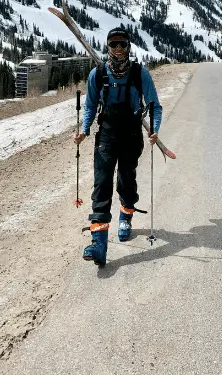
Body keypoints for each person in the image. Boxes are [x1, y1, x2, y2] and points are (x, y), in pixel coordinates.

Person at [73, 28, 162, 266]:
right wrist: (85, 129)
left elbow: (154, 105)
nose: (118, 49)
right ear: (108, 47)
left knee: (126, 178)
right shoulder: (98, 74)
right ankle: (98, 243)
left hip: (132, 134)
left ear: (129, 46)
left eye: (122, 44)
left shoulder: (139, 74)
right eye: (114, 45)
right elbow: (91, 105)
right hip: (107, 135)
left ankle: (126, 214)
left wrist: (155, 130)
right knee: (101, 184)